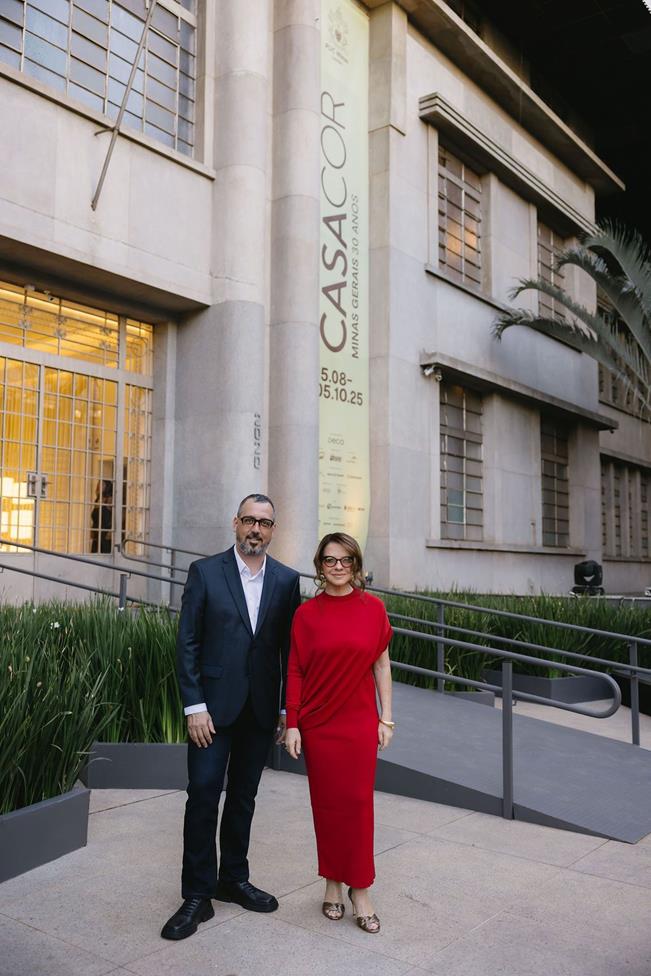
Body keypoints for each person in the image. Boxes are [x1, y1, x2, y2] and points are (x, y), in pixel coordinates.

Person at [161, 493, 301, 940]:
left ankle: (233, 879)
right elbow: (188, 642)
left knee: (244, 796)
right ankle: (197, 894)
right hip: (211, 711)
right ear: (235, 523)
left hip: (259, 710)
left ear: (273, 529)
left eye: (264, 522)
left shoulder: (286, 580)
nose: (256, 529)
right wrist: (194, 706)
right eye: (249, 520)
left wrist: (285, 708)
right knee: (203, 794)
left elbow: (290, 652)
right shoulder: (205, 572)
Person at [284, 532, 394, 934]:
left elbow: (381, 665)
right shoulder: (306, 615)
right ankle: (332, 882)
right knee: (327, 806)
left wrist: (386, 718)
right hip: (318, 725)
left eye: (346, 560)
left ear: (356, 565)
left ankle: (360, 889)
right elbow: (295, 670)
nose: (338, 567)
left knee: (359, 806)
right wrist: (292, 724)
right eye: (330, 560)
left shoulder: (373, 609)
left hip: (359, 723)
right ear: (319, 566)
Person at [90, 479, 113, 554]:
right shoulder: (98, 500)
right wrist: (92, 529)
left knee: (104, 554)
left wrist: (111, 530)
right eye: (98, 484)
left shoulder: (110, 499)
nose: (99, 486)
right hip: (97, 533)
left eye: (102, 485)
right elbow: (95, 517)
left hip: (105, 533)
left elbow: (117, 516)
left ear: (107, 487)